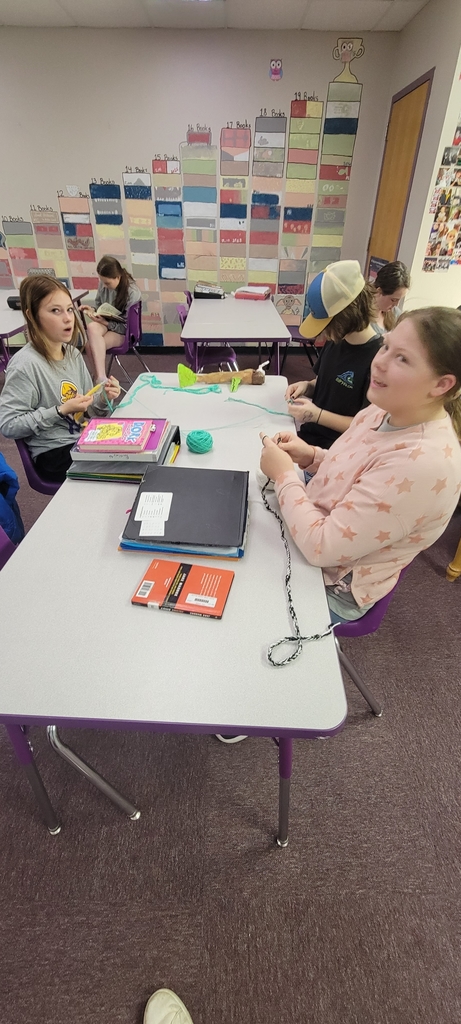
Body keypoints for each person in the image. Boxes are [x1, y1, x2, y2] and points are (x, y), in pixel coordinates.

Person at [260, 306, 461, 625]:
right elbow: (355, 468)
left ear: (441, 385)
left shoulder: (423, 464)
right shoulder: (382, 410)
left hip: (329, 582)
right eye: (386, 346)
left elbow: (321, 548)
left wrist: (284, 476)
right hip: (313, 530)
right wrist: (310, 455)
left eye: (402, 358)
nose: (378, 362)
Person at [0, 275, 121, 483]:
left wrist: (103, 398)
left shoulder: (73, 354)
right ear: (32, 315)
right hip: (54, 453)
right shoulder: (25, 365)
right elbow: (9, 425)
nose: (68, 318)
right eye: (55, 311)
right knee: (128, 466)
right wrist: (60, 410)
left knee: (141, 449)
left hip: (82, 439)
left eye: (69, 309)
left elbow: (87, 412)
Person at [287, 260, 382, 451]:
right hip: (310, 437)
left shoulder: (378, 359)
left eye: (326, 326)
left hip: (339, 451)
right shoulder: (338, 339)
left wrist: (317, 415)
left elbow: (366, 426)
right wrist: (308, 386)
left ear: (345, 316)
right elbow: (325, 382)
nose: (323, 333)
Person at [80, 255, 141, 383]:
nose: (104, 286)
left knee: (90, 345)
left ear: (118, 277)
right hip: (107, 325)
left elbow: (127, 326)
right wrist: (92, 311)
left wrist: (106, 323)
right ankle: (100, 377)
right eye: (102, 282)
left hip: (123, 331)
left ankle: (99, 378)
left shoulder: (132, 292)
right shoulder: (104, 284)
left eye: (107, 283)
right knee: (91, 327)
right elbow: (99, 306)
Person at [372, 260, 410, 333]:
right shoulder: (361, 318)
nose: (396, 305)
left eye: (399, 300)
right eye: (393, 300)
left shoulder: (395, 313)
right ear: (379, 291)